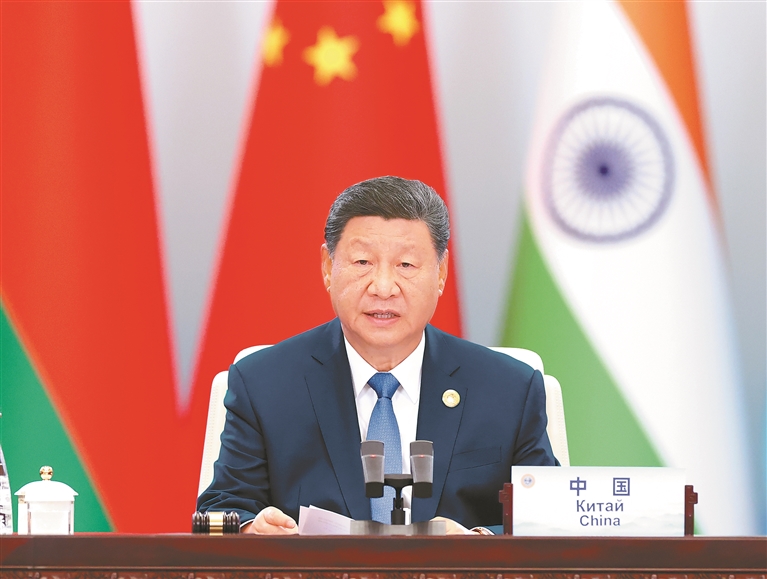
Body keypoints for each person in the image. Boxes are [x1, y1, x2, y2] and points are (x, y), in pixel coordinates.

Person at [197, 176, 558, 535]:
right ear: (328, 267)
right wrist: (250, 530)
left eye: (406, 265)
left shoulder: (509, 389)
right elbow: (220, 510)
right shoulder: (264, 385)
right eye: (362, 262)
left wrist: (477, 544)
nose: (383, 288)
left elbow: (552, 521)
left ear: (441, 273)